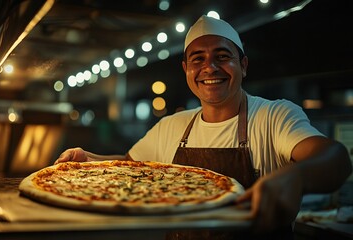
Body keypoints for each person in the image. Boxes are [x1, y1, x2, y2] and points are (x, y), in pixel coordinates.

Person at [55, 15, 352, 235]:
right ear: (186, 69)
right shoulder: (172, 125)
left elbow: (336, 159)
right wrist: (89, 160)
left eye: (223, 57)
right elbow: (128, 166)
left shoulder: (274, 116)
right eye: (198, 59)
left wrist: (297, 176)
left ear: (243, 65)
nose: (210, 67)